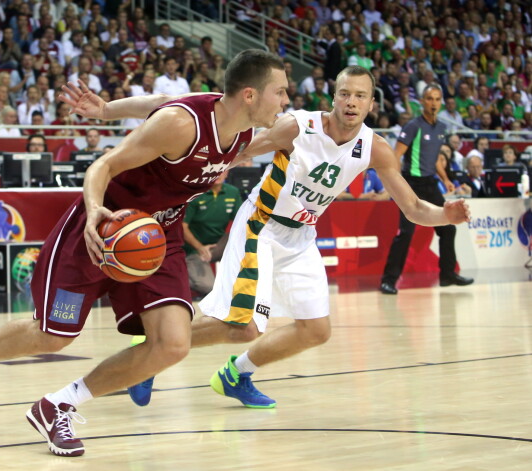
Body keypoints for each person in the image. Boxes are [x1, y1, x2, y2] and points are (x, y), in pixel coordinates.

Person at [0, 49, 289, 457]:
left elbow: (156, 101)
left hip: (158, 234)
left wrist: (106, 110)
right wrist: (90, 215)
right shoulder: (182, 125)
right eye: (279, 92)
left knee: (173, 343)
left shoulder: (241, 128)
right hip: (105, 223)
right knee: (53, 336)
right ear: (249, 94)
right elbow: (103, 166)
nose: (284, 101)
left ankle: (59, 405)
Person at [120, 66, 472, 411]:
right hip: (261, 224)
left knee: (315, 330)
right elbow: (233, 153)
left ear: (370, 104)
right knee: (243, 325)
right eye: (345, 93)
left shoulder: (373, 147)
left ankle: (235, 375)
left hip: (301, 236)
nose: (351, 102)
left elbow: (411, 207)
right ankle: (154, 347)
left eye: (360, 96)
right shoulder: (297, 126)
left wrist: (445, 215)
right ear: (333, 98)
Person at [380, 84, 474, 295]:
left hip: (430, 183)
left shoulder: (441, 128)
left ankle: (447, 275)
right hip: (411, 184)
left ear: (441, 103)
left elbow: (434, 158)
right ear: (422, 102)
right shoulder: (413, 126)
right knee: (406, 233)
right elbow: (395, 156)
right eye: (429, 99)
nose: (433, 103)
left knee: (448, 228)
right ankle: (389, 280)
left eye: (437, 99)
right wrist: (393, 184)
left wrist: (445, 179)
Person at [184, 171, 241, 297]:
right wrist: (199, 247)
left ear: (227, 173)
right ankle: (182, 277)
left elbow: (241, 221)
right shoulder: (196, 194)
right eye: (215, 171)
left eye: (223, 170)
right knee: (209, 287)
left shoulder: (233, 192)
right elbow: (183, 227)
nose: (218, 174)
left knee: (243, 234)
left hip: (219, 246)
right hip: (196, 249)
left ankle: (246, 282)